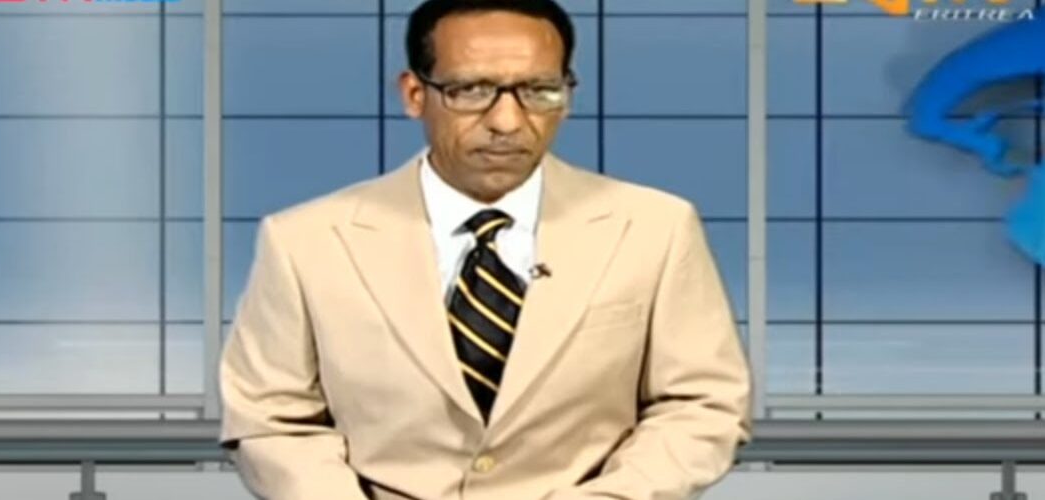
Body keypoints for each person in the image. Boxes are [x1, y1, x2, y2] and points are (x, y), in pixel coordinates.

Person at [218, 0, 753, 498]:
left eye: (539, 90)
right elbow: (271, 418)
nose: (507, 122)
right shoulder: (305, 240)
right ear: (414, 94)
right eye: (472, 90)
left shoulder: (656, 228)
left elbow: (701, 405)